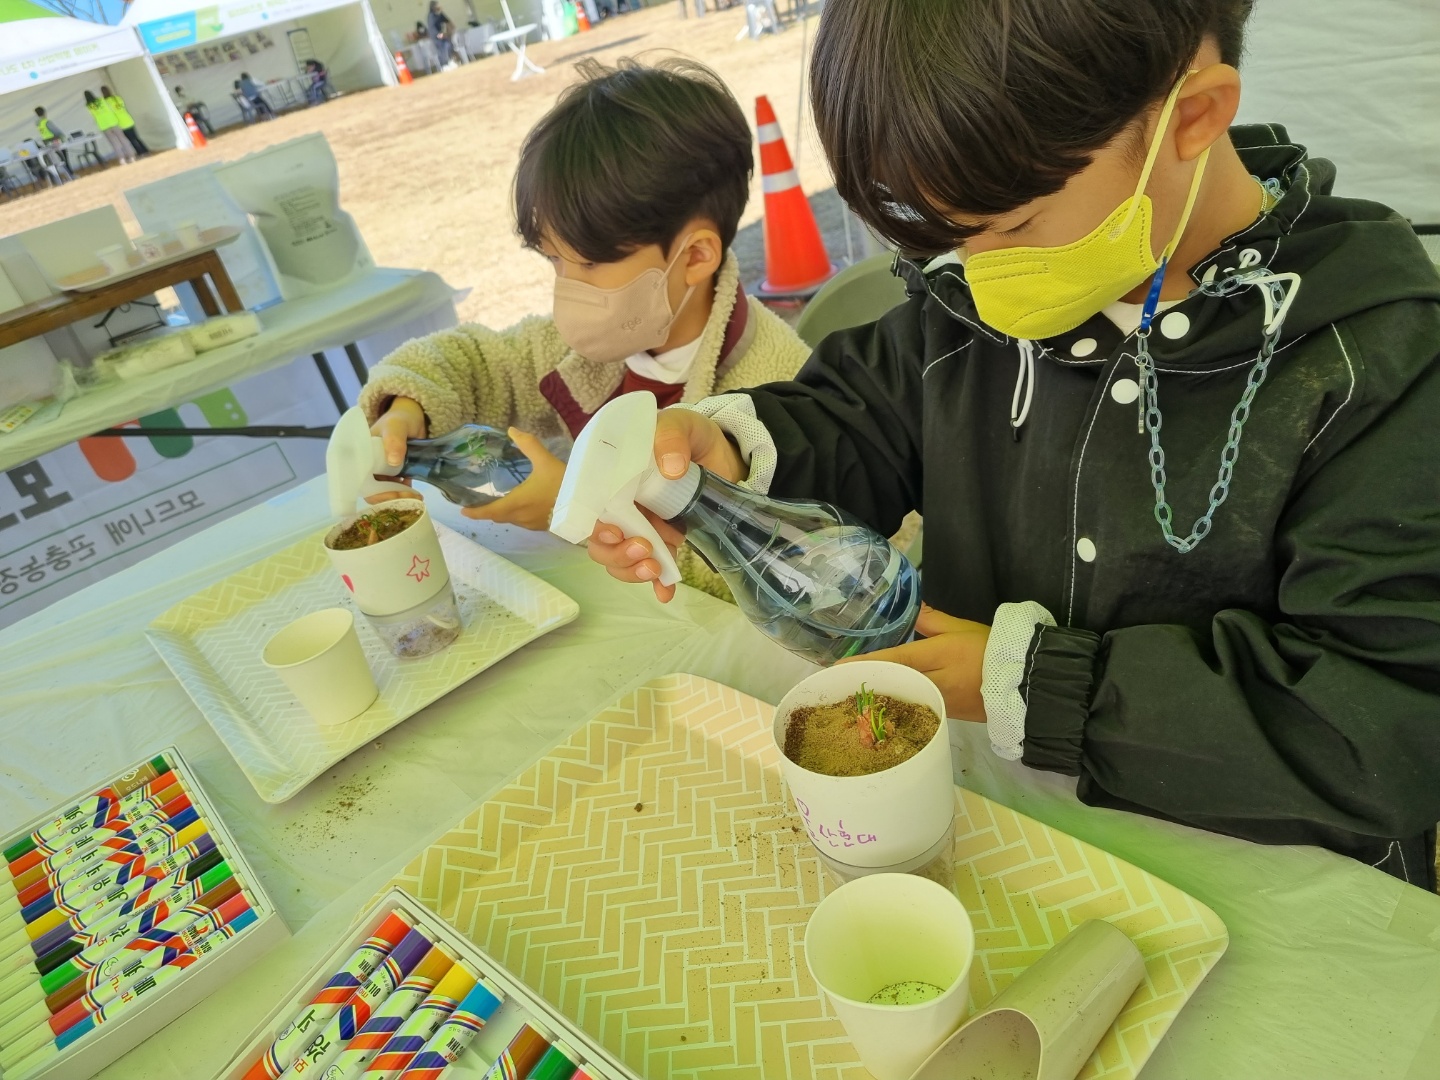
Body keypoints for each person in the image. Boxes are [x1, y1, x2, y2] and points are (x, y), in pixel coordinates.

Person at [590, 0, 1440, 891]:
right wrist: (725, 466)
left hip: (1278, 882)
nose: (981, 269)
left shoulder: (1370, 359)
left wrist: (1040, 687)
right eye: (947, 231)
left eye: (1014, 226)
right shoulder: (968, 297)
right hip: (1009, 829)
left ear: (1192, 119)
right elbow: (859, 415)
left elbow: (1383, 719)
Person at [361, 58, 811, 597]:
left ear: (694, 256)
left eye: (590, 266)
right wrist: (410, 405)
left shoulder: (782, 390)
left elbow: (773, 577)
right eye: (554, 261)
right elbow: (475, 363)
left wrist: (575, 509)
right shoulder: (594, 346)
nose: (566, 292)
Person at [84, 90, 134, 165]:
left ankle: (122, 160)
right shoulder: (101, 100)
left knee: (114, 143)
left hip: (103, 125)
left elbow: (93, 115)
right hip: (113, 121)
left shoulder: (88, 106)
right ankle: (131, 156)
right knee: (122, 140)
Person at [100, 86, 148, 157]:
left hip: (120, 122)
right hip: (128, 119)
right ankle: (145, 150)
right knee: (136, 137)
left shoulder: (106, 102)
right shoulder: (117, 98)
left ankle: (140, 152)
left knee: (131, 139)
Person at [32, 107, 72, 178]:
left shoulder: (38, 123)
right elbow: (56, 131)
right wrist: (63, 138)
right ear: (44, 112)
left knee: (54, 161)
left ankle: (59, 176)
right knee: (64, 159)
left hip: (47, 143)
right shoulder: (46, 122)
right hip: (55, 141)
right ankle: (70, 173)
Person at [428, 1, 455, 67]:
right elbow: (432, 28)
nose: (439, 6)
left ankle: (450, 61)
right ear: (433, 7)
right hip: (435, 36)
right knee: (443, 48)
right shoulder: (431, 16)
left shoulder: (440, 14)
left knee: (449, 45)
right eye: (437, 5)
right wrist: (439, 35)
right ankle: (444, 65)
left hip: (441, 35)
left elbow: (448, 21)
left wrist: (451, 30)